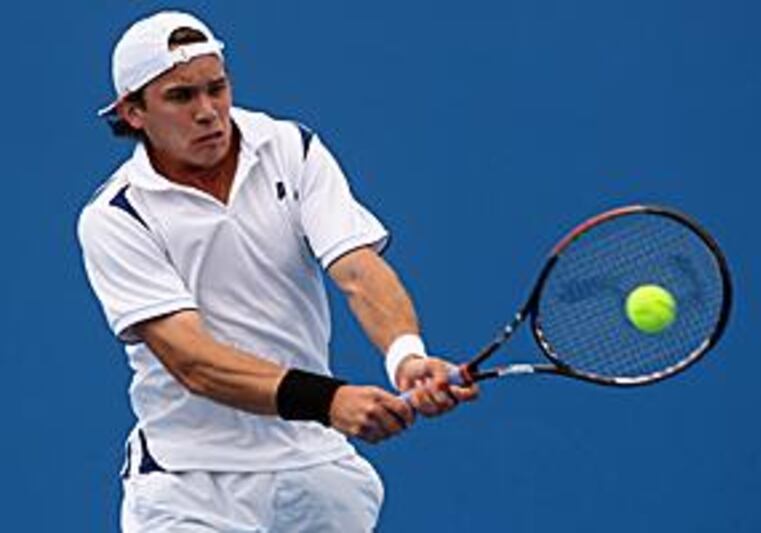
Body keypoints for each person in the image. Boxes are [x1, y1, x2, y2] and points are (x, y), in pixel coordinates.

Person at [77, 10, 478, 533]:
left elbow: (357, 268)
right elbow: (193, 362)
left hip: (316, 475)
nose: (208, 112)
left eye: (216, 88)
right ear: (133, 112)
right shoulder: (116, 217)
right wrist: (328, 399)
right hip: (190, 485)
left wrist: (407, 356)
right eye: (181, 97)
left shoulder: (291, 147)